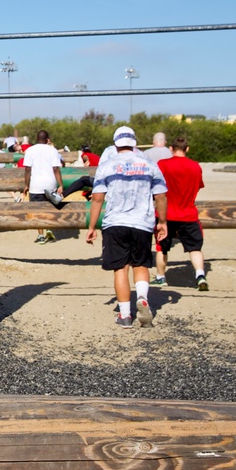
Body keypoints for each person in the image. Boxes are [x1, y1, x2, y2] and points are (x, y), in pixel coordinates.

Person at [85, 126, 168, 330]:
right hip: (142, 222)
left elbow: (97, 199)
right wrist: (162, 222)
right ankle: (142, 296)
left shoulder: (107, 166)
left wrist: (92, 226)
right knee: (140, 265)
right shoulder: (149, 165)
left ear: (115, 144)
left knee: (120, 268)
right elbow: (161, 196)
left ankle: (125, 316)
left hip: (115, 222)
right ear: (134, 143)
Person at [154, 137, 208, 290]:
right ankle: (200, 275)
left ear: (171, 148)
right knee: (195, 248)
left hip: (165, 214)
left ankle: (160, 277)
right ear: (187, 148)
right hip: (188, 213)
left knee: (161, 247)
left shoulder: (163, 165)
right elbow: (198, 187)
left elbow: (156, 188)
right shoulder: (195, 166)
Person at [22, 129, 64, 244]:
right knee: (49, 208)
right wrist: (60, 184)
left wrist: (26, 185)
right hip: (50, 184)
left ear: (36, 139)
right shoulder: (53, 150)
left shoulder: (30, 150)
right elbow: (56, 168)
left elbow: (27, 169)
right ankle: (49, 228)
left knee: (37, 210)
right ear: (47, 139)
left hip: (36, 185)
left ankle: (40, 236)